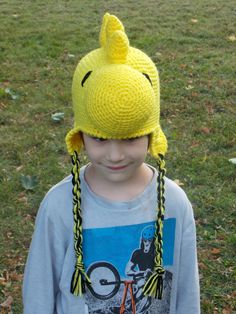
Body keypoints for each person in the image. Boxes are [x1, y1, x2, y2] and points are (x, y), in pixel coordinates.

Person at [23, 12, 200, 314]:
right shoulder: (59, 205)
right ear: (80, 135)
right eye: (100, 139)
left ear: (151, 134)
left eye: (131, 139)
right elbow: (40, 290)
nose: (116, 155)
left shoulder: (174, 202)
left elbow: (186, 290)